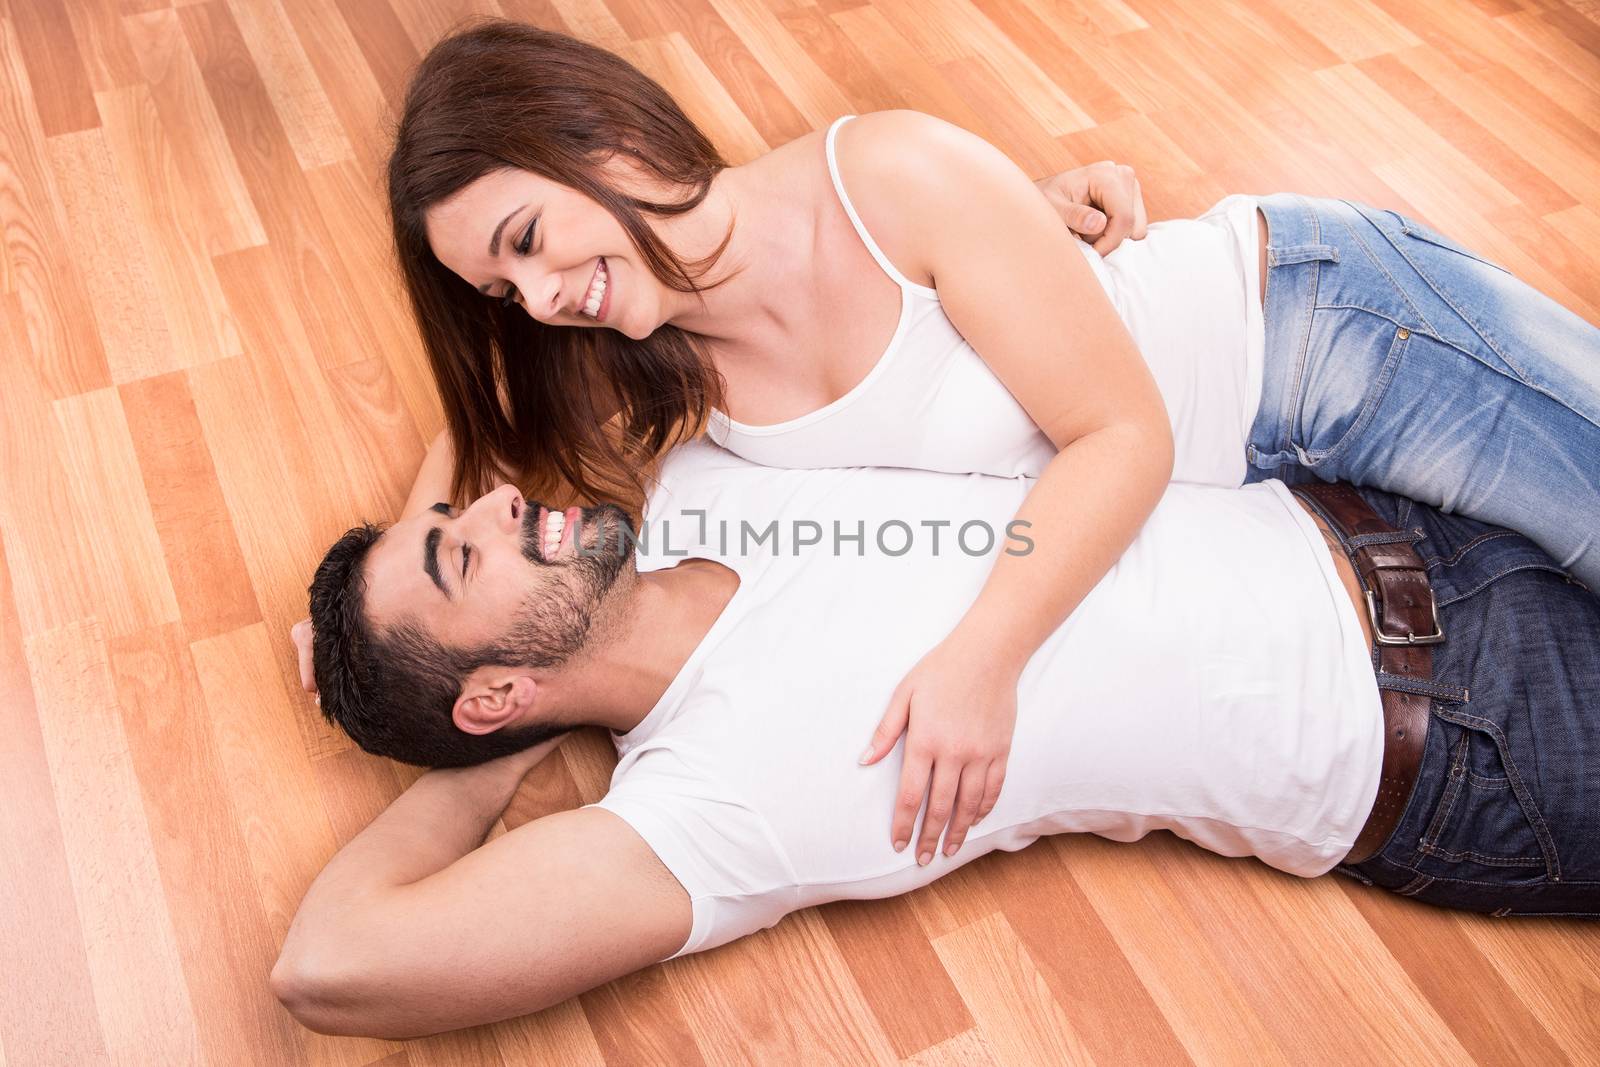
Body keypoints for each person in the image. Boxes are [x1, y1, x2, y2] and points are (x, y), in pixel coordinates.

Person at [367, 19, 1600, 864]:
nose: (534, 299)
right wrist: (370, 609)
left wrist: (980, 660)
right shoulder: (660, 368)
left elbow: (1120, 433)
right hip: (1277, 499)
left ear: (600, 141)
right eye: (498, 287)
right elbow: (482, 437)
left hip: (1327, 337)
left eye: (527, 238)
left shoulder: (886, 173)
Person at [273, 440, 1598, 1039]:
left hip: (1390, 493)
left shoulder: (702, 478)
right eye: (459, 547)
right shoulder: (709, 804)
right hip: (1470, 731)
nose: (500, 496)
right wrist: (485, 757)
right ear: (493, 693)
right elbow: (330, 961)